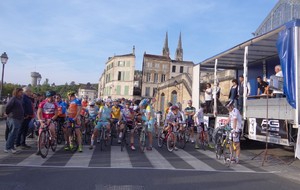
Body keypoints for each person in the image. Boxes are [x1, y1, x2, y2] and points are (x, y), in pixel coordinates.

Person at [4, 88, 24, 153]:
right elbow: (7, 107)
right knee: (12, 133)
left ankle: (12, 147)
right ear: (17, 92)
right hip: (13, 118)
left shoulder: (18, 99)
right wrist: (7, 113)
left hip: (18, 118)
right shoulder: (13, 99)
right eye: (20, 92)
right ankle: (7, 147)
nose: (22, 93)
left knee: (14, 134)